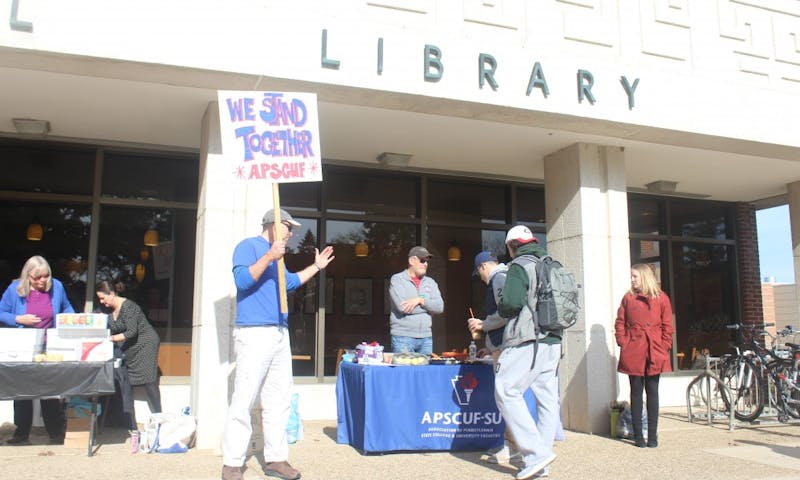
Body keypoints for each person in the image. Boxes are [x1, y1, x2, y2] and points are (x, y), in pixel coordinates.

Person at [221, 208, 334, 480]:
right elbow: (243, 280)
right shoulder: (248, 246)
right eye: (288, 226)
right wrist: (270, 255)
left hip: (279, 333)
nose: (292, 232)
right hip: (254, 331)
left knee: (279, 399)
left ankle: (276, 459)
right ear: (272, 224)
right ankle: (232, 463)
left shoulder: (279, 255)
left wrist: (316, 267)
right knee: (244, 398)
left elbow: (290, 283)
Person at [496, 225, 561, 480]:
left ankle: (536, 455)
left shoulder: (519, 265)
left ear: (512, 246)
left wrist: (502, 307)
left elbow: (511, 303)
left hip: (528, 339)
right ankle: (540, 464)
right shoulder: (551, 263)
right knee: (547, 400)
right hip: (553, 339)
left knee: (505, 389)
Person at [0, 255, 74, 445]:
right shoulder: (14, 289)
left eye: (45, 276)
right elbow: (2, 312)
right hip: (23, 345)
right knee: (22, 390)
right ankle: (21, 433)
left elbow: (66, 308)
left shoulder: (56, 286)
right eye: (37, 277)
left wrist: (73, 321)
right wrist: (18, 319)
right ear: (28, 276)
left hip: (50, 344)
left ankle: (55, 433)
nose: (42, 281)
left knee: (49, 390)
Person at [95, 280, 162, 449]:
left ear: (111, 293)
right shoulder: (110, 311)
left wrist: (109, 339)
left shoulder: (129, 307)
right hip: (131, 350)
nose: (102, 302)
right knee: (128, 384)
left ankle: (159, 420)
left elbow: (131, 331)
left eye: (103, 298)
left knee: (149, 381)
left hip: (145, 345)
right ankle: (132, 425)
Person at [467, 251, 520, 465]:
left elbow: (505, 312)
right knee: (508, 397)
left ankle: (513, 447)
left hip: (506, 346)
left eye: (478, 273)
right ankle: (513, 446)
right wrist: (490, 347)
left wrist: (483, 324)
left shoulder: (498, 278)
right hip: (504, 344)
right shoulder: (507, 276)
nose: (480, 278)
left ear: (482, 267)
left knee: (506, 397)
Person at [614, 263, 674, 448]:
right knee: (636, 392)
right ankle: (639, 435)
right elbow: (620, 322)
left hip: (654, 349)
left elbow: (667, 326)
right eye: (631, 276)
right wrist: (624, 342)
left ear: (644, 277)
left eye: (635, 276)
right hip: (634, 349)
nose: (632, 280)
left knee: (653, 392)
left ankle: (653, 435)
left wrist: (663, 346)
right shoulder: (628, 298)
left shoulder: (661, 298)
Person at [387, 246, 444, 355]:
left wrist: (420, 301)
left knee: (425, 372)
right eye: (422, 261)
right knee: (404, 372)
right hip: (402, 337)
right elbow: (403, 307)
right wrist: (428, 309)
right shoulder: (398, 280)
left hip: (426, 337)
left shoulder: (431, 282)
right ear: (411, 261)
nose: (426, 264)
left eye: (427, 262)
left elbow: (439, 307)